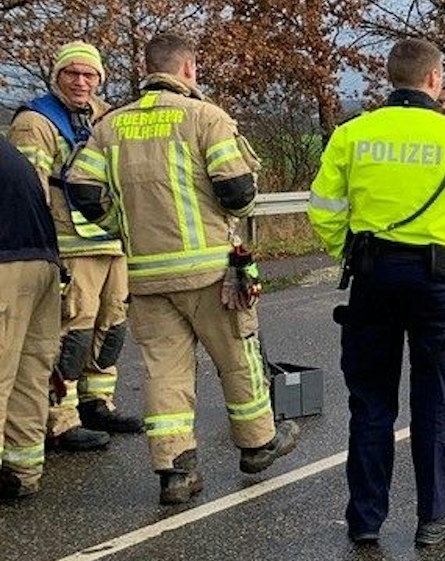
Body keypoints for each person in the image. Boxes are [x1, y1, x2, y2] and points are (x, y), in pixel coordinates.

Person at [68, 33, 300, 504]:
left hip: (147, 277)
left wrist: (121, 225)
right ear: (189, 70)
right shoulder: (206, 118)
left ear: (146, 68)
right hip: (212, 275)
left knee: (164, 373)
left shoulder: (110, 126)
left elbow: (82, 189)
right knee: (238, 357)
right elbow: (237, 191)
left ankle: (176, 471)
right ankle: (257, 444)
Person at [308, 38, 445, 547]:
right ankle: (435, 517)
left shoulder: (353, 133)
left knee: (370, 400)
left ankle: (365, 520)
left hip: (373, 276)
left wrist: (347, 254)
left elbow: (323, 208)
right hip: (438, 282)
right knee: (435, 395)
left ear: (389, 77)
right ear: (436, 80)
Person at [8, 41, 140, 454]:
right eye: (72, 74)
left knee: (112, 324)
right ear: (57, 76)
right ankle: (59, 418)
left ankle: (96, 401)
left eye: (89, 75)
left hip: (111, 239)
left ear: (100, 78)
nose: (81, 82)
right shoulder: (35, 122)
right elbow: (30, 190)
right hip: (68, 245)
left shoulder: (108, 117)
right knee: (71, 332)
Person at [0, 137, 63, 501]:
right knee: (28, 375)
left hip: (6, 266)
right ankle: (22, 470)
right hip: (43, 265)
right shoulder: (10, 152)